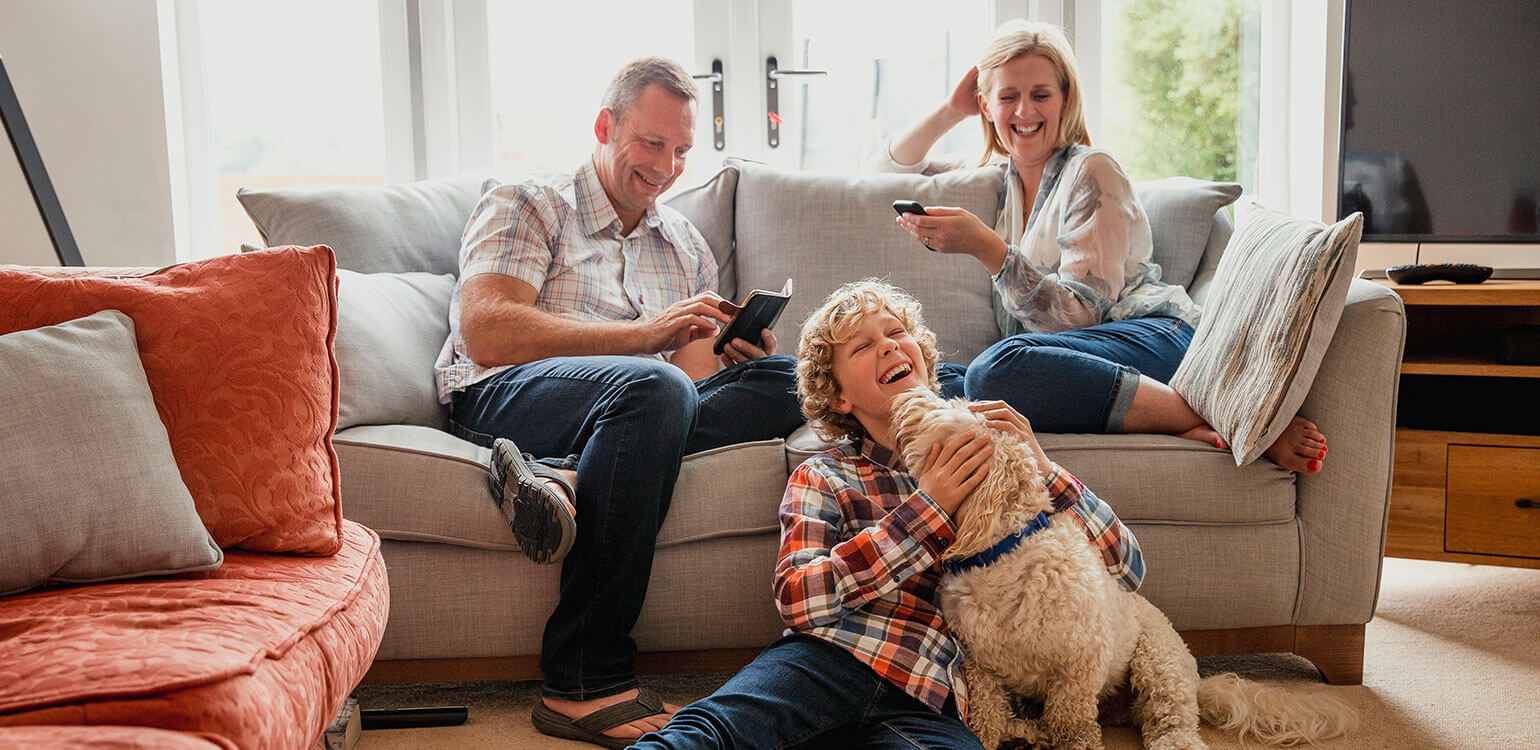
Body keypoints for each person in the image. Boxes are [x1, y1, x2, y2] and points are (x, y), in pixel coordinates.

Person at [434, 57, 804, 749]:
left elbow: (687, 390)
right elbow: (486, 331)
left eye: (683, 151)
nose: (667, 167)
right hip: (505, 392)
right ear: (606, 126)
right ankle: (580, 678)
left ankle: (565, 472)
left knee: (790, 379)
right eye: (652, 143)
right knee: (652, 385)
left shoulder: (684, 242)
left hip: (638, 411)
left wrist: (729, 360)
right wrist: (645, 338)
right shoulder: (529, 200)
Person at [629, 279, 1144, 749]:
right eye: (862, 346)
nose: (889, 346)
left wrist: (1044, 467)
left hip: (933, 687)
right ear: (839, 396)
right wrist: (929, 508)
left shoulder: (995, 459)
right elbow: (798, 597)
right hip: (825, 659)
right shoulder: (825, 476)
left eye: (897, 332)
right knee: (706, 735)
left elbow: (1126, 568)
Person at [875, 20, 1327, 474]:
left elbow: (1080, 315)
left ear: (1065, 100)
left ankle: (1230, 414)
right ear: (986, 106)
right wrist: (953, 111)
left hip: (1151, 337)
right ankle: (1170, 418)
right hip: (1068, 364)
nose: (1025, 110)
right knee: (925, 387)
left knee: (996, 369)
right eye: (1008, 96)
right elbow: (882, 173)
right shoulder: (996, 177)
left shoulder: (1092, 172)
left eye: (1041, 94)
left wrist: (987, 248)